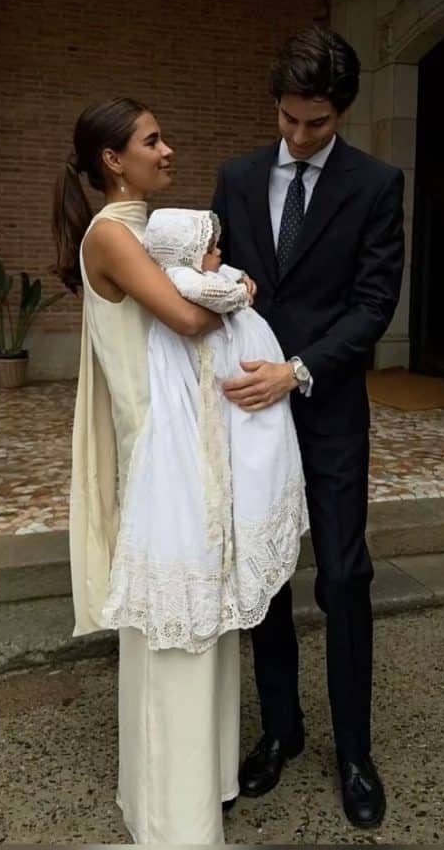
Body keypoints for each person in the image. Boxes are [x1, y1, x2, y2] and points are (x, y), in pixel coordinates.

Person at [211, 26, 405, 828]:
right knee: (264, 579)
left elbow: (373, 305)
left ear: (341, 113)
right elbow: (217, 280)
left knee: (342, 576)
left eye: (315, 123)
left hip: (326, 410)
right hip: (250, 410)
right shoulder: (238, 176)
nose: (297, 136)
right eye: (288, 119)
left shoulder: (376, 184)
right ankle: (281, 731)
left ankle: (354, 752)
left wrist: (299, 368)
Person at [53, 98, 238, 845]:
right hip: (158, 447)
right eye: (152, 141)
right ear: (112, 160)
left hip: (184, 435)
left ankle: (200, 788)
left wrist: (203, 275)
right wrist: (220, 284)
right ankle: (173, 822)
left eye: (164, 137)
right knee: (174, 628)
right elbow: (189, 320)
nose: (168, 151)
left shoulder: (144, 231)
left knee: (200, 617)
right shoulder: (111, 234)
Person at [101, 206, 309, 653]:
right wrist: (239, 288)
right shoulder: (180, 280)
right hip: (232, 396)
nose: (219, 253)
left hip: (256, 394)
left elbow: (220, 277)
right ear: (188, 253)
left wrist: (235, 275)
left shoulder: (201, 271)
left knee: (261, 460)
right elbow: (212, 295)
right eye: (210, 247)